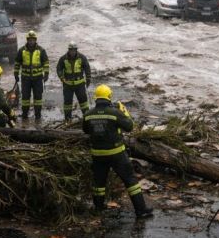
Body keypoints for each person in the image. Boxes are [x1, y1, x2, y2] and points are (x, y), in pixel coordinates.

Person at [83, 84, 154, 219]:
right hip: (116, 154)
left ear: (96, 98)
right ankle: (141, 210)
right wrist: (124, 111)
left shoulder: (88, 115)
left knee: (99, 183)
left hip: (97, 155)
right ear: (109, 96)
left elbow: (86, 130)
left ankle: (98, 208)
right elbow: (130, 126)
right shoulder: (115, 113)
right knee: (130, 181)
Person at [13, 31, 50, 120]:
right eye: (30, 40)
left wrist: (46, 74)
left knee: (38, 98)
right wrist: (16, 73)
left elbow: (46, 63)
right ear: (27, 40)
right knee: (25, 98)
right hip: (26, 78)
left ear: (35, 40)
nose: (31, 41)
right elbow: (17, 63)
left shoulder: (41, 50)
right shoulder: (21, 50)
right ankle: (25, 114)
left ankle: (38, 115)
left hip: (38, 78)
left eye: (33, 40)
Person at [56, 42, 91, 120]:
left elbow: (87, 68)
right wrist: (61, 77)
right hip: (67, 85)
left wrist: (88, 78)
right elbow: (59, 69)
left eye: (74, 50)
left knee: (83, 102)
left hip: (80, 84)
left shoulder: (82, 57)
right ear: (68, 50)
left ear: (76, 50)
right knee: (67, 103)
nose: (72, 52)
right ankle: (67, 119)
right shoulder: (63, 58)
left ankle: (87, 117)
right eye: (71, 50)